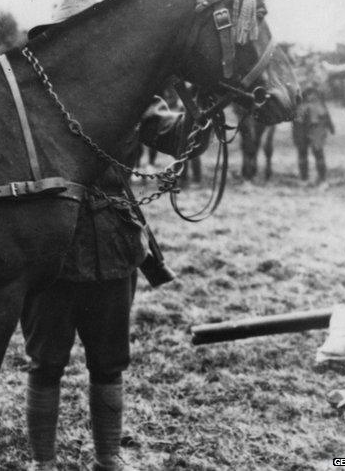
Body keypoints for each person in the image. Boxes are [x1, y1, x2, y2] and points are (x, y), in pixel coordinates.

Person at [22, 95, 208, 471]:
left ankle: (108, 458)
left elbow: (181, 138)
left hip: (112, 247)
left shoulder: (131, 85)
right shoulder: (39, 85)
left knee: (109, 363)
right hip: (50, 249)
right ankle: (43, 462)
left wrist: (203, 101)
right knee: (45, 362)